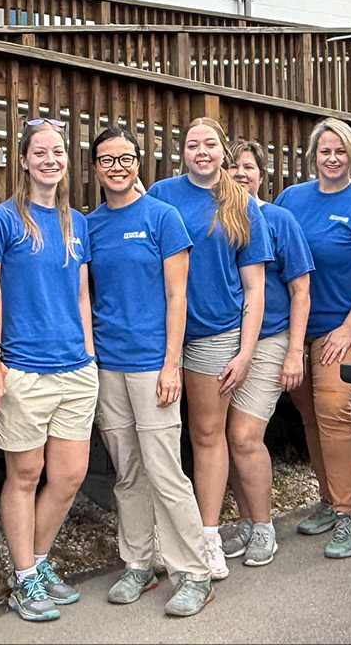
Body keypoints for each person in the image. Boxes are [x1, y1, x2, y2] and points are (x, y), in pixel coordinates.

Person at [84, 127, 216, 617]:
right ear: (95, 167)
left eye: (126, 158)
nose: (116, 167)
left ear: (140, 163)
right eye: (106, 160)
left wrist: (172, 364)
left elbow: (178, 296)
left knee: (165, 470)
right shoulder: (90, 225)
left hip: (152, 365)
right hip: (108, 364)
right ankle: (139, 564)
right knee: (127, 471)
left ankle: (193, 573)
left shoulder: (163, 218)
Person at [144, 117, 272, 580]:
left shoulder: (241, 203)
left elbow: (255, 289)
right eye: (192, 144)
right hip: (158, 334)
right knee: (158, 439)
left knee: (205, 435)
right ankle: (159, 537)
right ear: (182, 152)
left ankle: (208, 535)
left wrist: (245, 351)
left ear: (223, 150)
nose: (202, 151)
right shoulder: (161, 194)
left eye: (210, 144)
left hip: (214, 335)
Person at [0, 118, 99, 623]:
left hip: (76, 368)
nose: (51, 159)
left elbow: (80, 294)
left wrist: (90, 354)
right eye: (40, 151)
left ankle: (36, 561)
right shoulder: (4, 219)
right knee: (26, 474)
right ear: (24, 159)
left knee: (71, 475)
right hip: (25, 368)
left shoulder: (77, 222)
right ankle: (23, 576)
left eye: (58, 151)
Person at [276, 118, 351, 559]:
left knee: (333, 408)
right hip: (296, 331)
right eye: (324, 151)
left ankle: (349, 512)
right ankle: (327, 499)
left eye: (339, 151)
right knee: (309, 415)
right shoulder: (291, 199)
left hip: (344, 330)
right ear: (313, 156)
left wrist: (347, 329)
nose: (331, 158)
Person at [218, 140, 313, 567]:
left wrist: (295, 352)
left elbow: (301, 290)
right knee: (223, 438)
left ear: (262, 174)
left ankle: (263, 526)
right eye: (233, 166)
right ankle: (242, 519)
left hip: (270, 340)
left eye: (248, 167)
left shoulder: (279, 219)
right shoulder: (217, 217)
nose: (240, 173)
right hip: (224, 343)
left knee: (243, 436)